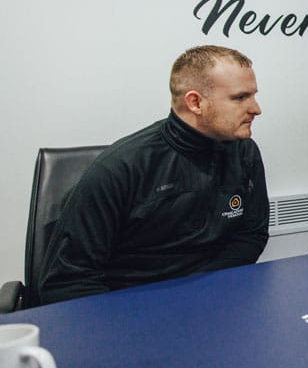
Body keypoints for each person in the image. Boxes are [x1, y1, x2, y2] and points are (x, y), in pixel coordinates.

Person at [38, 45, 269, 304]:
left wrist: (201, 292)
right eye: (240, 97)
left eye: (253, 96)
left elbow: (252, 234)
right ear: (195, 102)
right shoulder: (119, 169)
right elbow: (68, 281)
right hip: (128, 311)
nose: (256, 108)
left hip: (212, 302)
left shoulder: (244, 152)